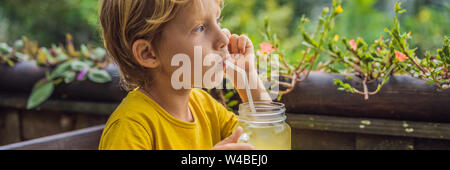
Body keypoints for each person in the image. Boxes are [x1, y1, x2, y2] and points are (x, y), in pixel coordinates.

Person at [98, 0, 272, 150]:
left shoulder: (205, 107)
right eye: (200, 28)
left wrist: (248, 78)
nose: (224, 39)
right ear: (148, 54)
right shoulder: (131, 127)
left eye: (218, 20)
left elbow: (267, 139)